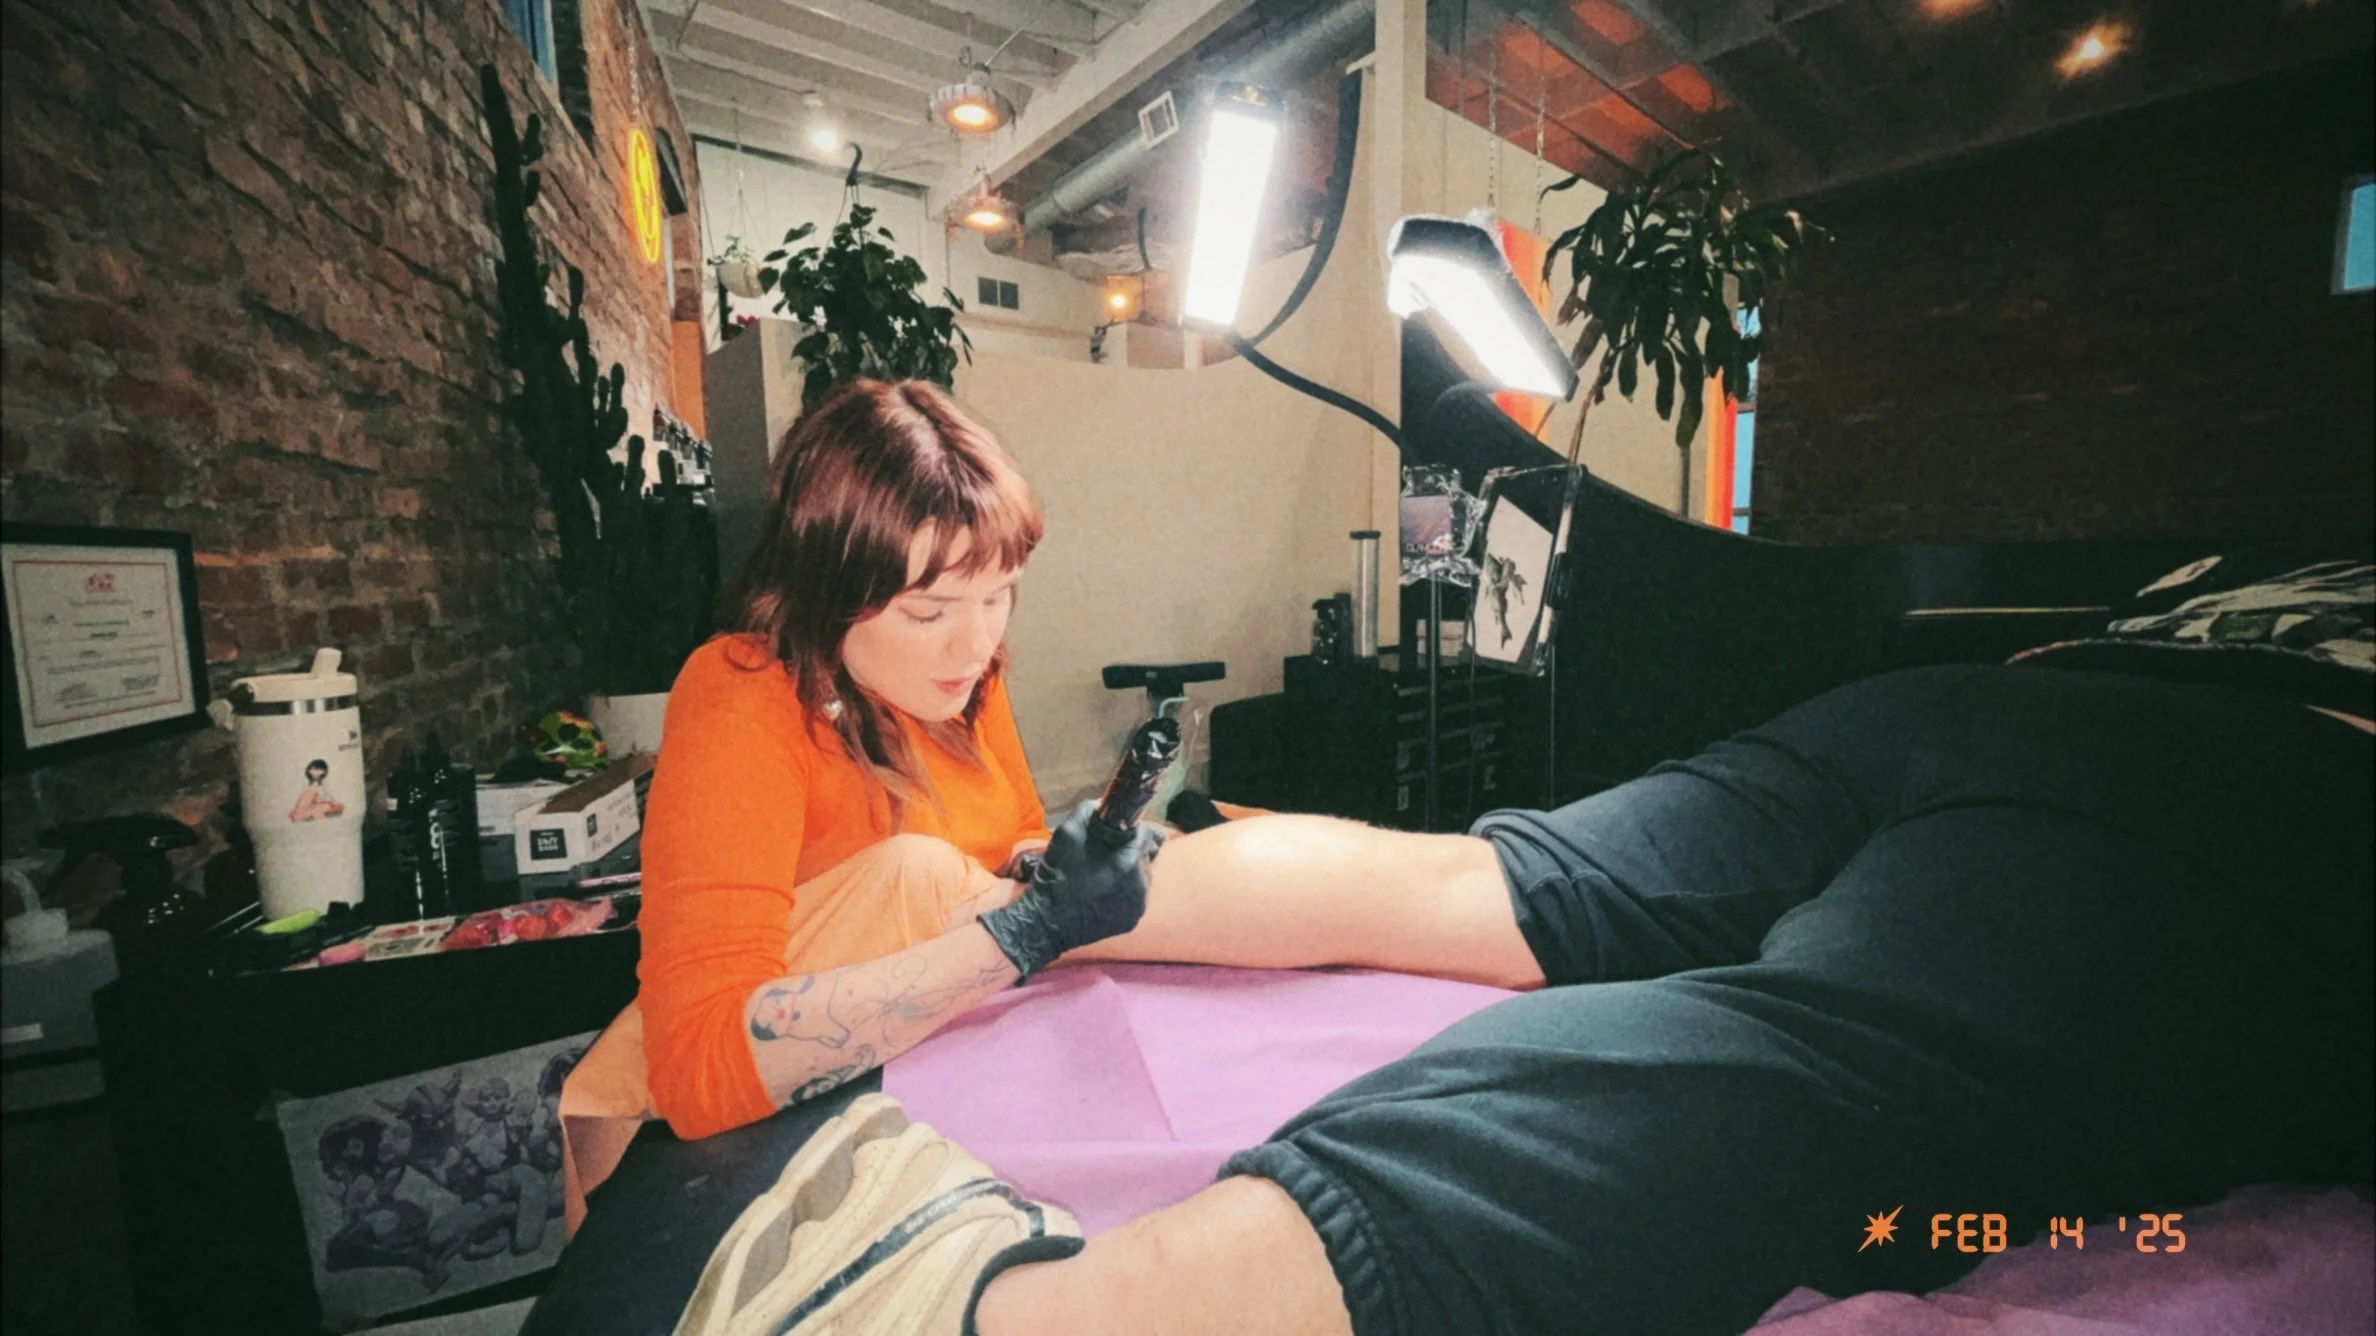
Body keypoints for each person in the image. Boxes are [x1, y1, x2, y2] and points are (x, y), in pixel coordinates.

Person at [671, 661, 2372, 1336]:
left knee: (1469, 879)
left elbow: (1445, 895)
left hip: (1993, 688)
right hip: (2278, 781)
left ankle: (1011, 932)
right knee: (1824, 1065)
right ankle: (1037, 1320)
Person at [561, 380, 1164, 1203]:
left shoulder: (965, 680)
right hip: (713, 1163)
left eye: (999, 596)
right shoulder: (744, 696)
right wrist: (1026, 930)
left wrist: (1055, 859)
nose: (977, 640)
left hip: (919, 1082)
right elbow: (698, 1070)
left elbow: (1010, 833)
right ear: (826, 588)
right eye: (929, 612)